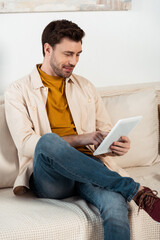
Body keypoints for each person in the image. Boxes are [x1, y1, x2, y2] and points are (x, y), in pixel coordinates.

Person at [5, 20, 160, 240]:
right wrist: (82, 139)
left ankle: (130, 192)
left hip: (90, 166)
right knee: (48, 141)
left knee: (116, 207)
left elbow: (104, 130)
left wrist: (114, 145)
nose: (74, 61)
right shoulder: (18, 91)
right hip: (52, 176)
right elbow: (27, 144)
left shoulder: (85, 86)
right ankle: (135, 190)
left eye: (78, 54)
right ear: (47, 49)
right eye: (68, 54)